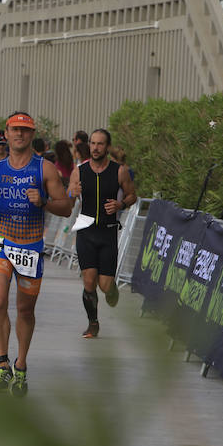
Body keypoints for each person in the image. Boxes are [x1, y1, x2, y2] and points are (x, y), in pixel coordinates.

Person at [0, 112, 72, 396]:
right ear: (6, 132)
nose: (20, 135)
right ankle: (2, 363)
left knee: (25, 310)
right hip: (1, 244)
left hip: (30, 247)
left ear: (32, 135)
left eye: (25, 131)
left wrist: (42, 202)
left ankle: (22, 364)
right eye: (15, 130)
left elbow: (65, 207)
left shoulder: (45, 169)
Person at [68, 129, 136, 338]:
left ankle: (111, 289)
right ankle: (93, 323)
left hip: (107, 233)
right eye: (92, 143)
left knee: (104, 285)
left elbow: (132, 195)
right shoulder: (80, 170)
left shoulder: (119, 171)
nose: (95, 148)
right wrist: (72, 193)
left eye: (100, 144)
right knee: (89, 281)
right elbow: (69, 197)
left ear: (107, 147)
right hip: (86, 232)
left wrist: (120, 204)